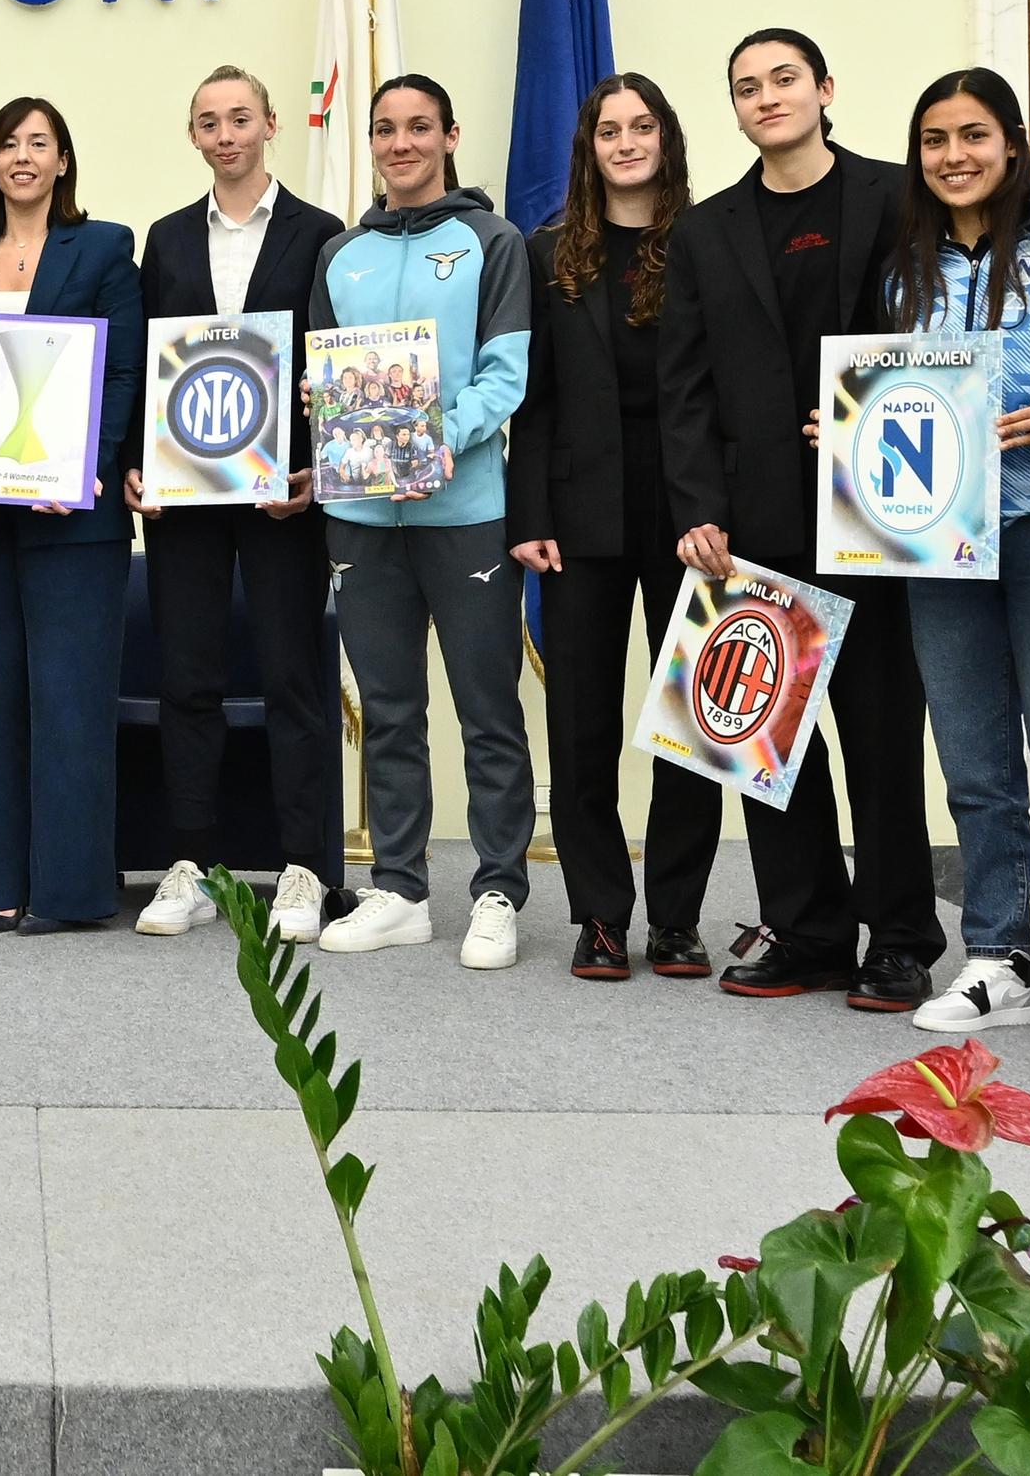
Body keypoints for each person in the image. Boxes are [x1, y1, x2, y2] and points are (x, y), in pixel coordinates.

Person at [659, 27, 941, 1006]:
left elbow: (946, 322)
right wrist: (697, 509)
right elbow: (682, 385)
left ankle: (901, 935)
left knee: (879, 733)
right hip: (754, 516)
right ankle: (808, 927)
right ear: (733, 108)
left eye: (783, 78)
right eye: (746, 86)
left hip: (877, 505)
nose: (766, 96)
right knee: (764, 739)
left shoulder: (897, 194)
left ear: (824, 87)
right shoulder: (701, 231)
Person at [867, 68, 1030, 1052]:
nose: (953, 156)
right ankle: (997, 953)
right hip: (937, 536)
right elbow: (882, 392)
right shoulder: (900, 268)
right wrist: (844, 429)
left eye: (972, 134)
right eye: (933, 139)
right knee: (973, 759)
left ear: (1011, 142)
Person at [305, 76, 537, 967]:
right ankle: (400, 887)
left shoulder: (492, 242)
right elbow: (327, 381)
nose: (401, 144)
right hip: (361, 519)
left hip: (465, 512)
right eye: (384, 130)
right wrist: (324, 411)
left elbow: (504, 378)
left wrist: (431, 441)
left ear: (449, 135)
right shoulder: (341, 254)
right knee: (391, 708)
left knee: (487, 707)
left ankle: (497, 890)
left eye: (418, 128)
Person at [510, 71, 721, 985]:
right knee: (582, 719)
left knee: (692, 721)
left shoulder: (712, 242)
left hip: (691, 512)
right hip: (577, 509)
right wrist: (530, 515)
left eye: (642, 127)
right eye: (608, 130)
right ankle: (599, 915)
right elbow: (535, 398)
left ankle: (676, 919)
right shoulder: (549, 251)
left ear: (667, 138)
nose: (626, 143)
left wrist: (723, 508)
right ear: (588, 148)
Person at [129, 67, 344, 946]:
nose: (227, 135)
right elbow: (143, 369)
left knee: (294, 678)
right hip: (183, 499)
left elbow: (338, 362)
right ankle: (191, 863)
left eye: (241, 119)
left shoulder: (321, 234)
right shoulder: (167, 238)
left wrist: (321, 472)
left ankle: (301, 868)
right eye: (209, 122)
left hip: (282, 496)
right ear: (193, 136)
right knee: (187, 681)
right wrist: (133, 466)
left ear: (272, 125)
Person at [0, 97, 143, 935]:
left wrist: (88, 471)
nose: (23, 156)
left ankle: (71, 891)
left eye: (39, 144)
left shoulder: (104, 246)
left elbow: (121, 372)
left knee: (71, 700)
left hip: (74, 513)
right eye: (9, 144)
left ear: (63, 161)